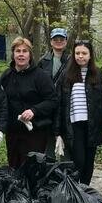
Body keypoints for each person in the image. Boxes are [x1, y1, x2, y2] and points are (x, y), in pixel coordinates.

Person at [54, 40, 102, 185]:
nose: (80, 56)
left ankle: (85, 190)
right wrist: (57, 130)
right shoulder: (66, 75)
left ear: (90, 55)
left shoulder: (98, 74)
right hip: (74, 125)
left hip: (93, 124)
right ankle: (76, 189)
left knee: (89, 160)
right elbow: (59, 103)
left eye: (84, 53)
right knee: (78, 160)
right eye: (77, 53)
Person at [1, 36, 58, 168]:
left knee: (32, 169)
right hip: (13, 132)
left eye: (25, 51)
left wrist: (34, 110)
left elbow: (52, 100)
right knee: (14, 169)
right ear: (13, 54)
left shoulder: (41, 76)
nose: (21, 54)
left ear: (30, 55)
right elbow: (1, 103)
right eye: (18, 51)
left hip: (35, 132)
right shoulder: (6, 76)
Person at [37, 27, 70, 158]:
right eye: (55, 39)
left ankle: (66, 173)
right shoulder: (42, 61)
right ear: (51, 42)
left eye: (61, 39)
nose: (58, 41)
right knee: (48, 145)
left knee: (67, 144)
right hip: (48, 108)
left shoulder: (72, 60)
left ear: (66, 41)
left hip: (65, 106)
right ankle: (48, 173)